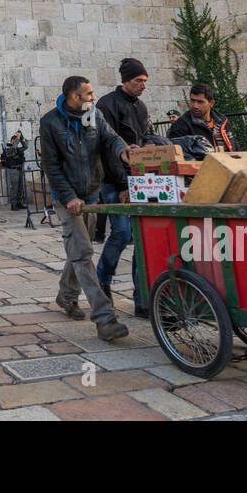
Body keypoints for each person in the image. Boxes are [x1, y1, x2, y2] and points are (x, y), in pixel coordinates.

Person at [40, 76, 134, 342]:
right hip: (67, 199)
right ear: (74, 97)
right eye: (89, 94)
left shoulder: (95, 115)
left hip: (91, 194)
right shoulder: (50, 123)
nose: (93, 98)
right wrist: (68, 197)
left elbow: (110, 137)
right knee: (82, 251)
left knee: (78, 250)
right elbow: (52, 166)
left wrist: (123, 151)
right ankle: (105, 318)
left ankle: (66, 296)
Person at [96, 58, 153, 317]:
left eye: (144, 81)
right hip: (114, 179)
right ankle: (102, 281)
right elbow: (108, 146)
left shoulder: (140, 107)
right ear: (126, 80)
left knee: (140, 238)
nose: (142, 86)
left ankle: (142, 298)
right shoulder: (107, 105)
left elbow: (145, 137)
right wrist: (122, 183)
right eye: (137, 81)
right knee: (121, 233)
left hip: (139, 178)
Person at [167, 83, 236, 151]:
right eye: (192, 101)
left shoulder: (223, 121)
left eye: (200, 102)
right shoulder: (180, 126)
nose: (195, 106)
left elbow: (235, 147)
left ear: (211, 103)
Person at [0, 131, 28, 209]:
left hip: (19, 169)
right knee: (14, 187)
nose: (16, 141)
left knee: (20, 187)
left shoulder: (18, 149)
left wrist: (21, 139)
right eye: (15, 140)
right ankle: (14, 204)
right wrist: (17, 139)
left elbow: (25, 147)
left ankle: (19, 202)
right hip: (14, 170)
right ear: (12, 141)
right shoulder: (9, 149)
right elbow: (14, 147)